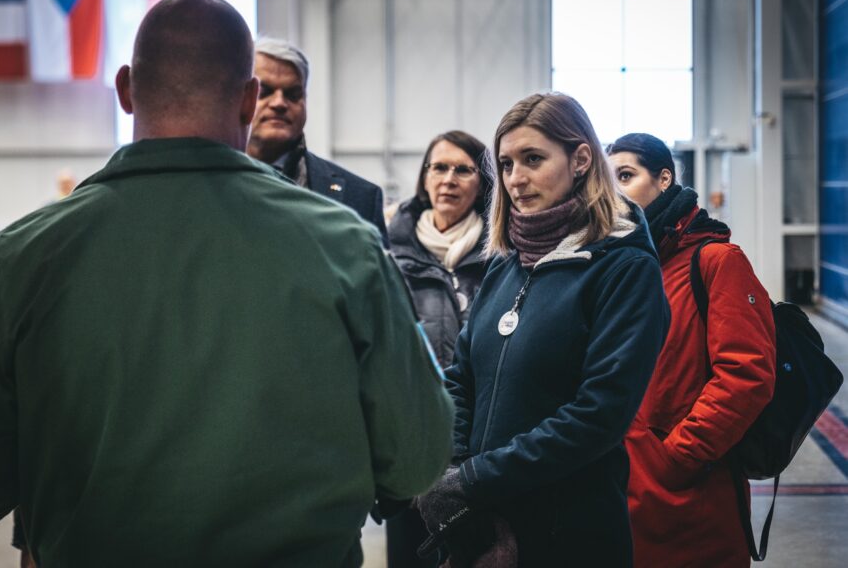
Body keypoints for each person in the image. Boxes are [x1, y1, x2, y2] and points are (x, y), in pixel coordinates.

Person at [0, 0, 454, 567]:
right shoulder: (345, 246)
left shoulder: (20, 258)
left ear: (124, 89)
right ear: (248, 100)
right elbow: (417, 458)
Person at [416, 93, 670, 567]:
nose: (516, 179)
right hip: (484, 527)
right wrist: (450, 467)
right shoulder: (506, 264)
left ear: (580, 160)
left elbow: (599, 415)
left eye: (533, 159)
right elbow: (461, 376)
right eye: (507, 163)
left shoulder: (625, 269)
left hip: (569, 531)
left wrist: (475, 478)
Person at [607, 132, 776, 568]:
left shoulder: (716, 261)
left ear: (665, 179)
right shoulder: (623, 266)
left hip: (690, 495)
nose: (614, 192)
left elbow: (747, 375)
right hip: (624, 491)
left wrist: (677, 458)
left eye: (626, 176)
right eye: (607, 182)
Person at [385, 130, 492, 567]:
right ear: (424, 177)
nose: (449, 179)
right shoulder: (387, 250)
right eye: (439, 167)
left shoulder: (504, 252)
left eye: (463, 169)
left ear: (482, 182)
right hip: (408, 443)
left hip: (481, 448)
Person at [247, 37, 389, 245]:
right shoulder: (203, 187)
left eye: (293, 94)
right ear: (242, 97)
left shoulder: (360, 197)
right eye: (265, 91)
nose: (279, 103)